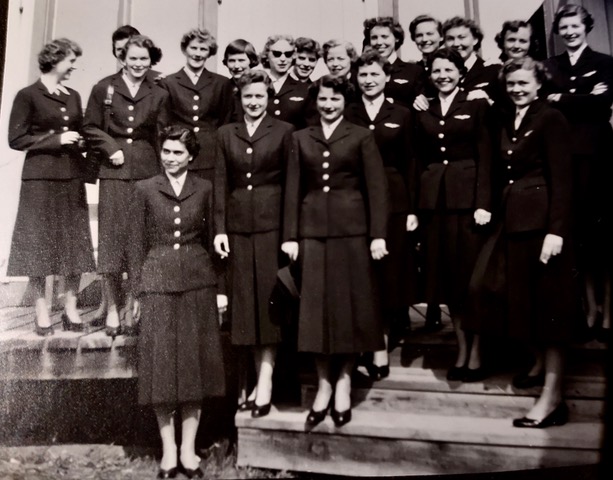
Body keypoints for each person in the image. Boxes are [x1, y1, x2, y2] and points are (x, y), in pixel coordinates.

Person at [470, 58, 579, 428]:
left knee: (550, 309)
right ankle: (535, 360)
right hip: (513, 222)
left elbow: (563, 180)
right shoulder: (507, 118)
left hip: (542, 227)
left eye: (523, 83)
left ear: (539, 84)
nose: (516, 88)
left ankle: (552, 398)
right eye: (511, 83)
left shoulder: (551, 118)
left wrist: (557, 231)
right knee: (493, 289)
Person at [282, 75, 388, 427]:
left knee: (348, 312)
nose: (328, 105)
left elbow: (376, 189)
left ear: (346, 102)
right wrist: (291, 236)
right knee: (316, 314)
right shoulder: (300, 138)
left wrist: (377, 235)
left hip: (352, 234)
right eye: (323, 99)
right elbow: (293, 190)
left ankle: (343, 382)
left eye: (335, 100)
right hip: (312, 235)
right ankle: (323, 385)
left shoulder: (361, 135)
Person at [128, 126, 225, 478]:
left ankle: (189, 450)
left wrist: (221, 289)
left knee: (193, 369)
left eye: (177, 153)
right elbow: (135, 245)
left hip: (198, 283)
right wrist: (136, 292)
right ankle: (168, 450)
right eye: (166, 151)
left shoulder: (206, 188)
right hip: (157, 284)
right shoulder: (144, 189)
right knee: (162, 370)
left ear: (191, 156)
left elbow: (217, 242)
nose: (170, 158)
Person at [213, 70, 294, 417]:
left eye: (260, 96)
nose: (254, 102)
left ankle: (265, 381)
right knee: (244, 306)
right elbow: (220, 182)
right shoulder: (225, 133)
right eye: (248, 96)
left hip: (271, 229)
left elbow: (292, 187)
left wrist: (290, 234)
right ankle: (246, 381)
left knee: (268, 306)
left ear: (269, 98)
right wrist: (219, 228)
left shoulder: (284, 131)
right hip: (237, 230)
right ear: (239, 98)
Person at [413, 48, 492, 382]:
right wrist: (418, 208)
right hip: (437, 206)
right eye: (436, 70)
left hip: (469, 204)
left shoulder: (476, 104)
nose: (442, 75)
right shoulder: (424, 107)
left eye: (449, 69)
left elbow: (486, 156)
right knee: (449, 281)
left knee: (471, 281)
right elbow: (418, 159)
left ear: (461, 72)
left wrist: (483, 202)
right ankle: (462, 349)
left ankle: (478, 352)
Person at [7, 38, 95, 335]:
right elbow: (16, 139)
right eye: (70, 60)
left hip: (70, 176)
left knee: (74, 244)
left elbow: (81, 131)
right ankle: (41, 311)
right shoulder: (28, 95)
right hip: (40, 180)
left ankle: (70, 309)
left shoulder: (73, 95)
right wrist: (56, 140)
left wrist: (80, 140)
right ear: (55, 60)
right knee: (38, 245)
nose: (73, 66)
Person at [83, 35, 168, 337]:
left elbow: (161, 134)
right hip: (114, 172)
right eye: (133, 58)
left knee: (140, 238)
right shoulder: (104, 87)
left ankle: (133, 305)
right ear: (122, 58)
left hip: (145, 170)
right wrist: (109, 147)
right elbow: (90, 126)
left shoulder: (157, 91)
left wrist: (164, 173)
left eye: (144, 59)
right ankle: (110, 308)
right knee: (111, 238)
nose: (138, 65)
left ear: (151, 60)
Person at [345, 50, 418, 378]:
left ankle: (381, 347)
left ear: (387, 77)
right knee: (360, 276)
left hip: (394, 202)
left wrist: (413, 209)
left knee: (388, 276)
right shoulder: (347, 113)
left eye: (375, 74)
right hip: (356, 203)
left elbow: (412, 163)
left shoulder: (401, 114)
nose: (369, 80)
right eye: (363, 75)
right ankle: (362, 345)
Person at [545, 4, 613, 340]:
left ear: (585, 26)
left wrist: (563, 97)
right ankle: (589, 309)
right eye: (565, 27)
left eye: (576, 25)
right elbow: (544, 102)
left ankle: (609, 313)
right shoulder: (549, 65)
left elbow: (603, 103)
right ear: (558, 31)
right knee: (576, 238)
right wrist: (582, 96)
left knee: (601, 238)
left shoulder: (605, 63)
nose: (570, 32)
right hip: (562, 159)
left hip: (597, 158)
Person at [159, 29, 234, 183]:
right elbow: (163, 123)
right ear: (185, 49)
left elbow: (226, 122)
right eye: (193, 48)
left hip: (210, 157)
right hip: (179, 154)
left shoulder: (221, 83)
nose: (198, 54)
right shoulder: (168, 83)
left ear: (209, 53)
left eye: (203, 49)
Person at [362, 16, 423, 108]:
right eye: (374, 38)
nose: (379, 42)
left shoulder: (414, 71)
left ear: (396, 38)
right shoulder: (362, 71)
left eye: (384, 37)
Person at [442, 16, 499, 101]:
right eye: (450, 39)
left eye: (462, 37)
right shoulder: (441, 74)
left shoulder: (493, 71)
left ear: (475, 39)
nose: (456, 43)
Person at [260, 35, 310, 128]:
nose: (283, 59)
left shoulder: (304, 89)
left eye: (288, 54)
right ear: (266, 55)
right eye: (277, 54)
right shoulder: (258, 86)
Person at [222, 39, 260, 122]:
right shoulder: (223, 87)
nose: (236, 66)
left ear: (251, 61)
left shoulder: (260, 87)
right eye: (232, 61)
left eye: (241, 60)